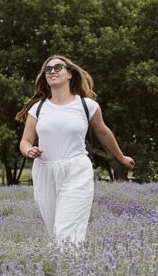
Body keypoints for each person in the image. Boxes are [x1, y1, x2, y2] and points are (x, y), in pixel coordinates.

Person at [16, 56, 134, 246]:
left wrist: (121, 157)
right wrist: (29, 150)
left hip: (76, 171)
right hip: (45, 173)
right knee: (55, 230)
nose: (52, 71)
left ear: (69, 73)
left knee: (67, 232)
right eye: (48, 69)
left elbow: (104, 133)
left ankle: (67, 271)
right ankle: (67, 271)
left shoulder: (87, 106)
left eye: (57, 67)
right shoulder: (38, 109)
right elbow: (25, 141)